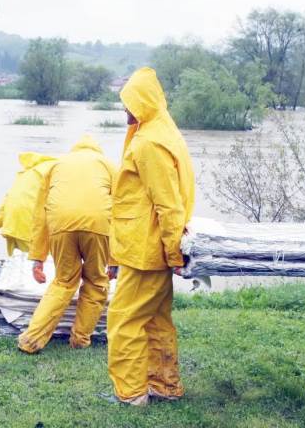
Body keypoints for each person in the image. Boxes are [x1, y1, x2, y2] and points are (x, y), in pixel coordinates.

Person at [105, 67, 195, 406]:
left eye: (128, 102)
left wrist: (175, 254)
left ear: (141, 103)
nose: (124, 109)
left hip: (144, 249)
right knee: (156, 321)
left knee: (124, 320)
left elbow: (168, 204)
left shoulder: (148, 144)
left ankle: (130, 393)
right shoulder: (163, 132)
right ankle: (164, 385)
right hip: (149, 245)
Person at [16, 135, 117, 354]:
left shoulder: (56, 165)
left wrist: (37, 258)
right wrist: (115, 259)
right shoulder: (108, 165)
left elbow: (40, 213)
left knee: (63, 282)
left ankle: (31, 340)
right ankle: (80, 339)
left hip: (59, 224)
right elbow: (123, 208)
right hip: (98, 225)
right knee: (96, 281)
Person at [0, 152, 57, 256]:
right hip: (29, 226)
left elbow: (10, 196)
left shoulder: (28, 172)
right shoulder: (57, 170)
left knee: (17, 264)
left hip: (12, 225)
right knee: (44, 264)